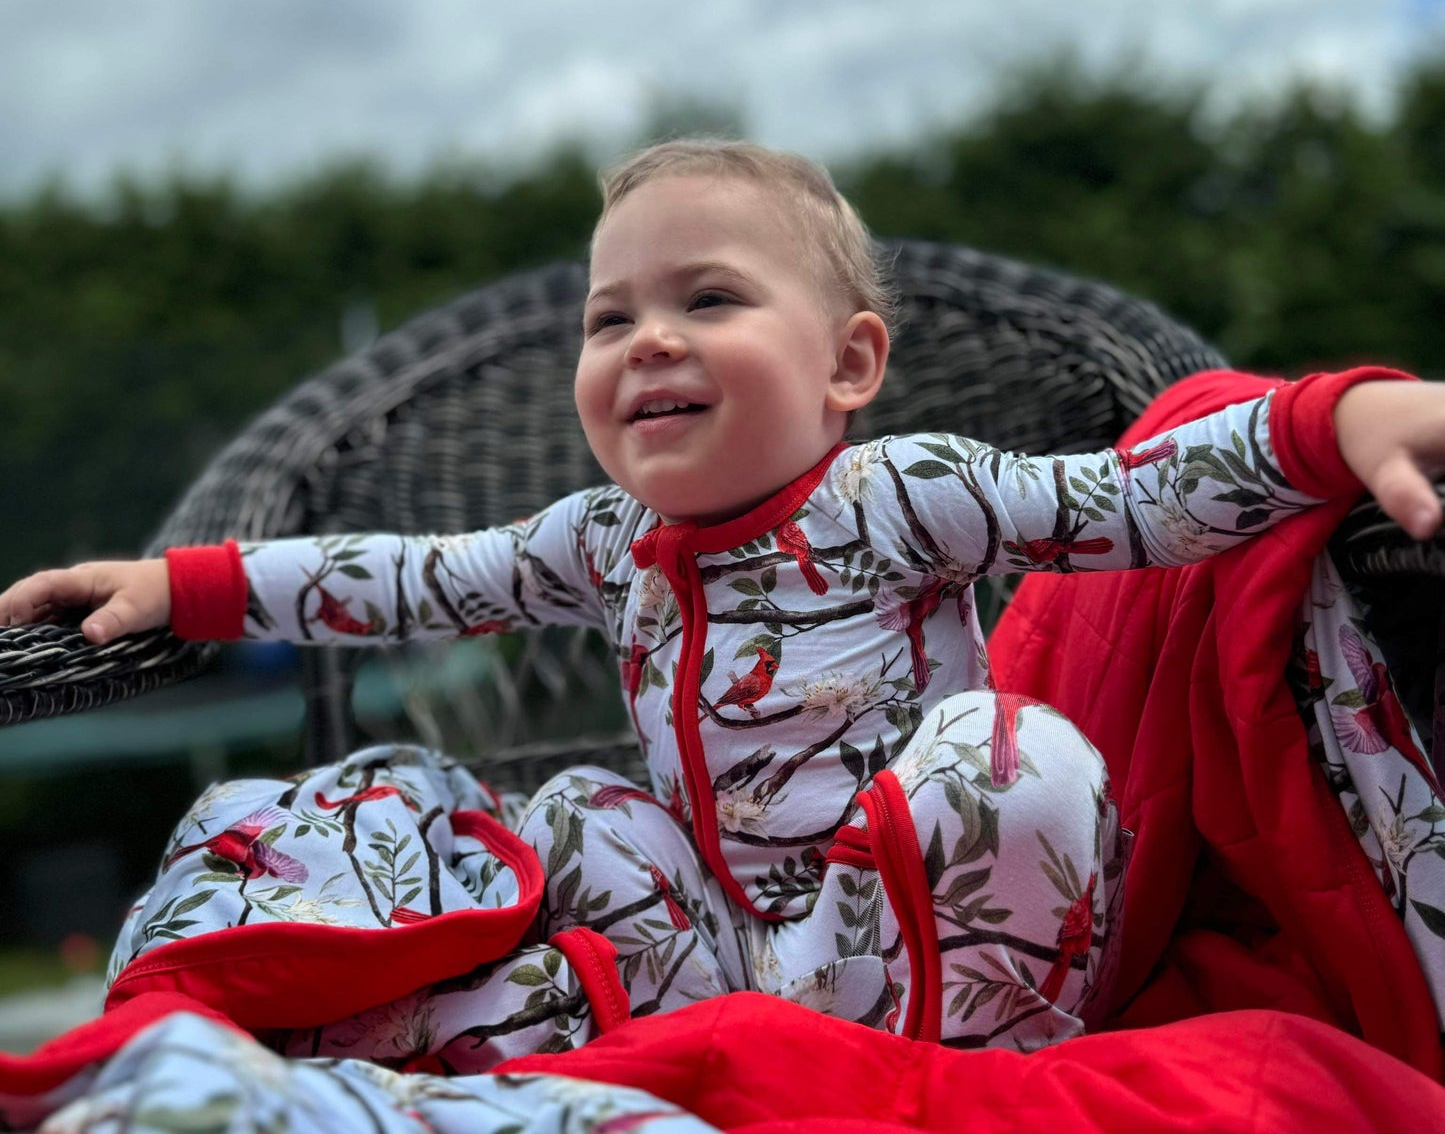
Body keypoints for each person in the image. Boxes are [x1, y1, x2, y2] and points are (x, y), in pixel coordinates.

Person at [4, 140, 1444, 1057]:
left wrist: (1339, 420)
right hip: (739, 959)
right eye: (610, 316)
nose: (648, 342)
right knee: (575, 812)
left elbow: (1132, 502)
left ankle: (969, 1072)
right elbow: (408, 577)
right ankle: (687, 1040)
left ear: (848, 366)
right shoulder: (602, 539)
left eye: (708, 300)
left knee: (1011, 762)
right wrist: (183, 587)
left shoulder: (903, 492)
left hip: (935, 945)